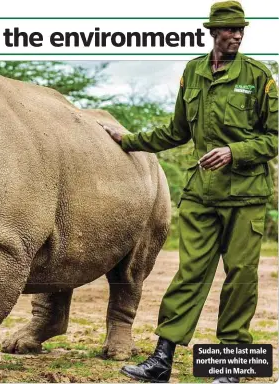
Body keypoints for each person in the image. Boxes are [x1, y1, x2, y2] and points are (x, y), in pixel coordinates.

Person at [99, 1, 278, 383]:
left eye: (241, 29)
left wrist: (235, 152)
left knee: (241, 277)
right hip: (202, 196)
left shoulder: (259, 76)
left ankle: (233, 364)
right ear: (213, 32)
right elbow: (177, 130)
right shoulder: (192, 72)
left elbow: (274, 137)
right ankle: (162, 359)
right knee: (189, 275)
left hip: (246, 196)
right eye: (229, 29)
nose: (237, 35)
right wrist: (129, 140)